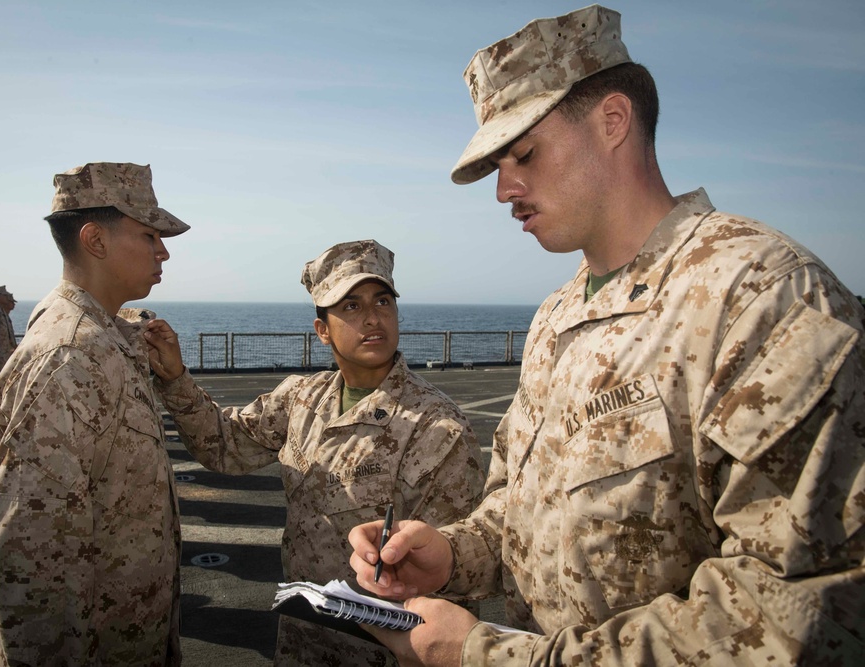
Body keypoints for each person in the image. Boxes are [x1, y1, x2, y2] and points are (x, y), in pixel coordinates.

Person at [348, 5, 865, 665]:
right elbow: (524, 511)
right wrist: (451, 553)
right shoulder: (555, 317)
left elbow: (798, 612)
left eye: (524, 154)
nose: (504, 189)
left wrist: (486, 655)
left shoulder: (762, 297)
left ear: (613, 120)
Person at [147, 239, 486, 666]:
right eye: (351, 306)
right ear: (322, 330)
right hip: (303, 639)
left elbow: (453, 574)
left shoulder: (437, 427)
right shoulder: (302, 398)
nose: (372, 318)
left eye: (383, 301)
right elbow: (224, 445)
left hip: (385, 651)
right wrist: (175, 378)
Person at [0, 162, 192, 666]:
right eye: (149, 236)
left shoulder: (102, 337)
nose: (163, 251)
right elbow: (34, 558)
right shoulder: (68, 356)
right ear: (95, 240)